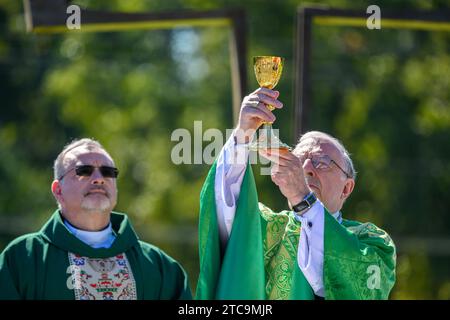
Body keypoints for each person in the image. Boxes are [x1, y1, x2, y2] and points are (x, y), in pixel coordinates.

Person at [196, 88, 396, 300]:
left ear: (346, 188)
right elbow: (224, 210)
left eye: (323, 162)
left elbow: (351, 286)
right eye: (299, 159)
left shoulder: (372, 242)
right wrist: (242, 135)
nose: (307, 167)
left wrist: (304, 199)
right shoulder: (267, 227)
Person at [0, 138, 192, 300]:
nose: (99, 178)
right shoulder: (23, 259)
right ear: (58, 190)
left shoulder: (158, 267)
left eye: (108, 172)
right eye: (84, 171)